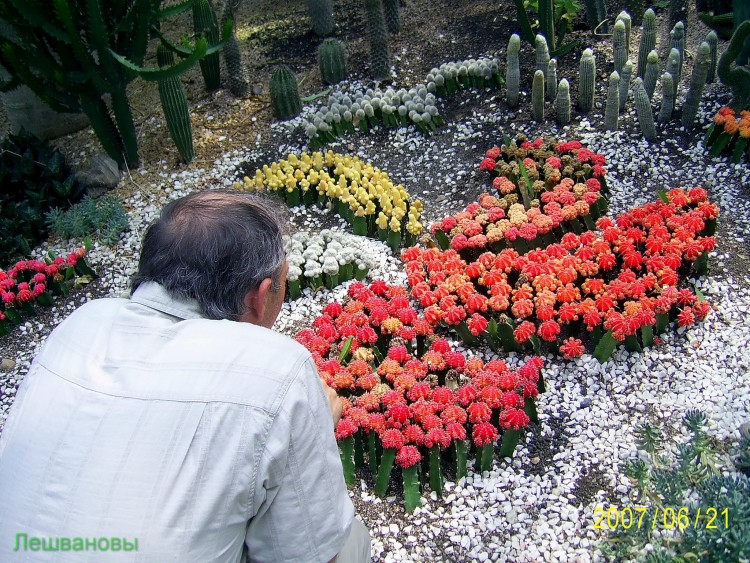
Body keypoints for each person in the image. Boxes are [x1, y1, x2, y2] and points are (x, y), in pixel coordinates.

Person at [0, 190, 371, 562]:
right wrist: (313, 424)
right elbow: (314, 553)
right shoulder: (276, 371)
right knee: (349, 544)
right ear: (260, 296)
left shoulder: (78, 326)